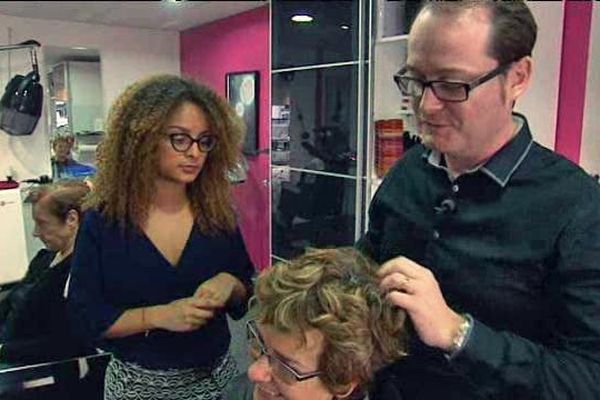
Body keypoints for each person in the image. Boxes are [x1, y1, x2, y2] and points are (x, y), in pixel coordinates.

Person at [357, 1, 600, 399]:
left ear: (517, 77)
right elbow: (369, 260)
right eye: (415, 80)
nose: (425, 105)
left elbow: (588, 379)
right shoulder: (407, 171)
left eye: (452, 85)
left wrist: (459, 334)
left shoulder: (579, 209)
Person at [67, 75, 255, 400]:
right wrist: (159, 316)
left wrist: (230, 283)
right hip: (138, 387)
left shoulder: (216, 214)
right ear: (142, 139)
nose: (195, 153)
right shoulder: (104, 221)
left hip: (219, 379)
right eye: (180, 139)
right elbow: (85, 316)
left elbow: (244, 284)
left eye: (205, 141)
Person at [222, 247, 408, 400]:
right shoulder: (241, 392)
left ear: (343, 382)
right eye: (260, 343)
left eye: (286, 367)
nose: (254, 372)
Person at [0, 181, 91, 366]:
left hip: (31, 366)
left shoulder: (81, 274)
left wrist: (3, 351)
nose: (35, 233)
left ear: (72, 220)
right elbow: (13, 300)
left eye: (41, 223)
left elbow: (65, 343)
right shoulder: (45, 257)